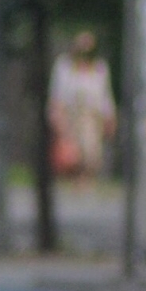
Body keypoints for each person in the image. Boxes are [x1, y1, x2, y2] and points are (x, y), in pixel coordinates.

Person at [49, 30, 116, 182]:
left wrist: (110, 117)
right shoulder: (65, 66)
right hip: (69, 112)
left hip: (91, 114)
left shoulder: (99, 68)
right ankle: (75, 177)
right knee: (71, 148)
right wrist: (56, 114)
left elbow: (105, 95)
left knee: (90, 148)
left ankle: (86, 177)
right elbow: (57, 92)